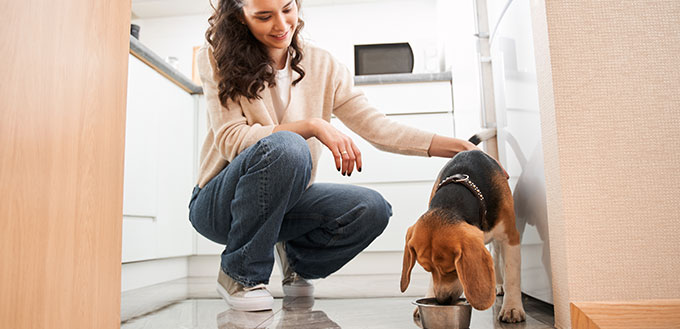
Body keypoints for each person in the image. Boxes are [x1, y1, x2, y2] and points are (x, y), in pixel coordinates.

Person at [188, 0, 482, 312]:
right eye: (264, 16)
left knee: (371, 208)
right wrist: (313, 126)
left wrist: (458, 148)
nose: (281, 25)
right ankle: (240, 273)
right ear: (240, 16)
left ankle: (296, 263)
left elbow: (377, 127)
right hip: (219, 205)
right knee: (289, 146)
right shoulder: (217, 58)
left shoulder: (323, 64)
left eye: (287, 9)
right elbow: (231, 138)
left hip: (285, 201)